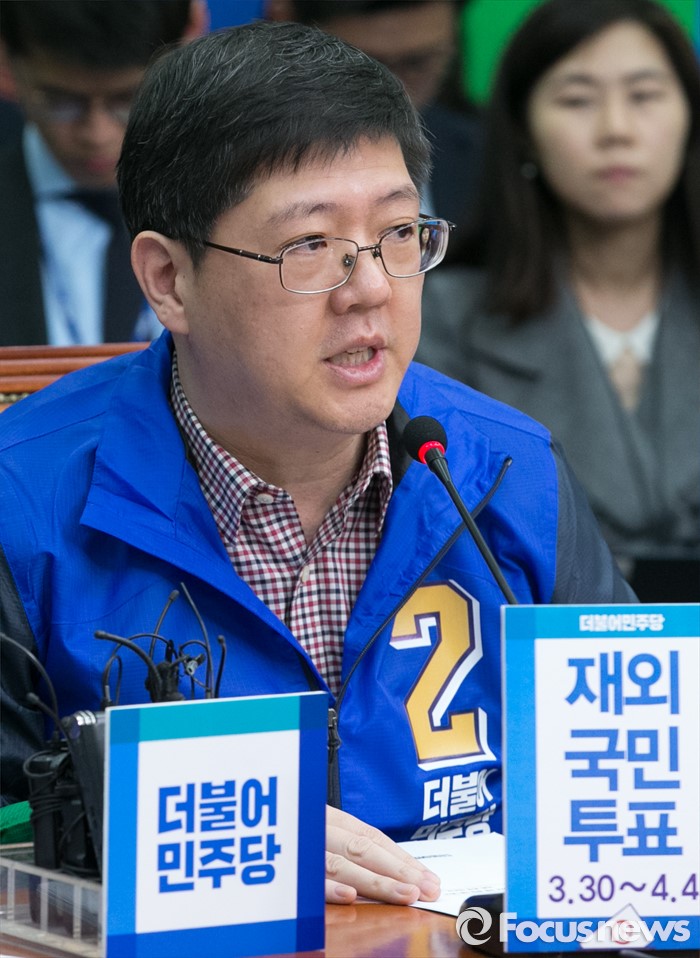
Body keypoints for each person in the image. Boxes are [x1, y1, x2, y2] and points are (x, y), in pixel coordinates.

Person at [0, 20, 634, 906]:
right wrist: (184, 826)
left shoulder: (506, 471)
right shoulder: (21, 502)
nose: (371, 287)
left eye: (399, 233)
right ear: (169, 280)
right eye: (310, 247)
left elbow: (638, 780)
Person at [417, 0, 700, 602]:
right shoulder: (444, 319)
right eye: (577, 100)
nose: (616, 129)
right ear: (523, 130)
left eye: (645, 96)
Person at [0, 0, 206, 346]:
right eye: (59, 101)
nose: (97, 135)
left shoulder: (240, 200)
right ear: (7, 62)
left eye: (129, 99)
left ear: (189, 40)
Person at [266, 0, 483, 245]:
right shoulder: (244, 159)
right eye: (364, 67)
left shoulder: (486, 154)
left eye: (417, 63)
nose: (395, 90)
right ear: (284, 22)